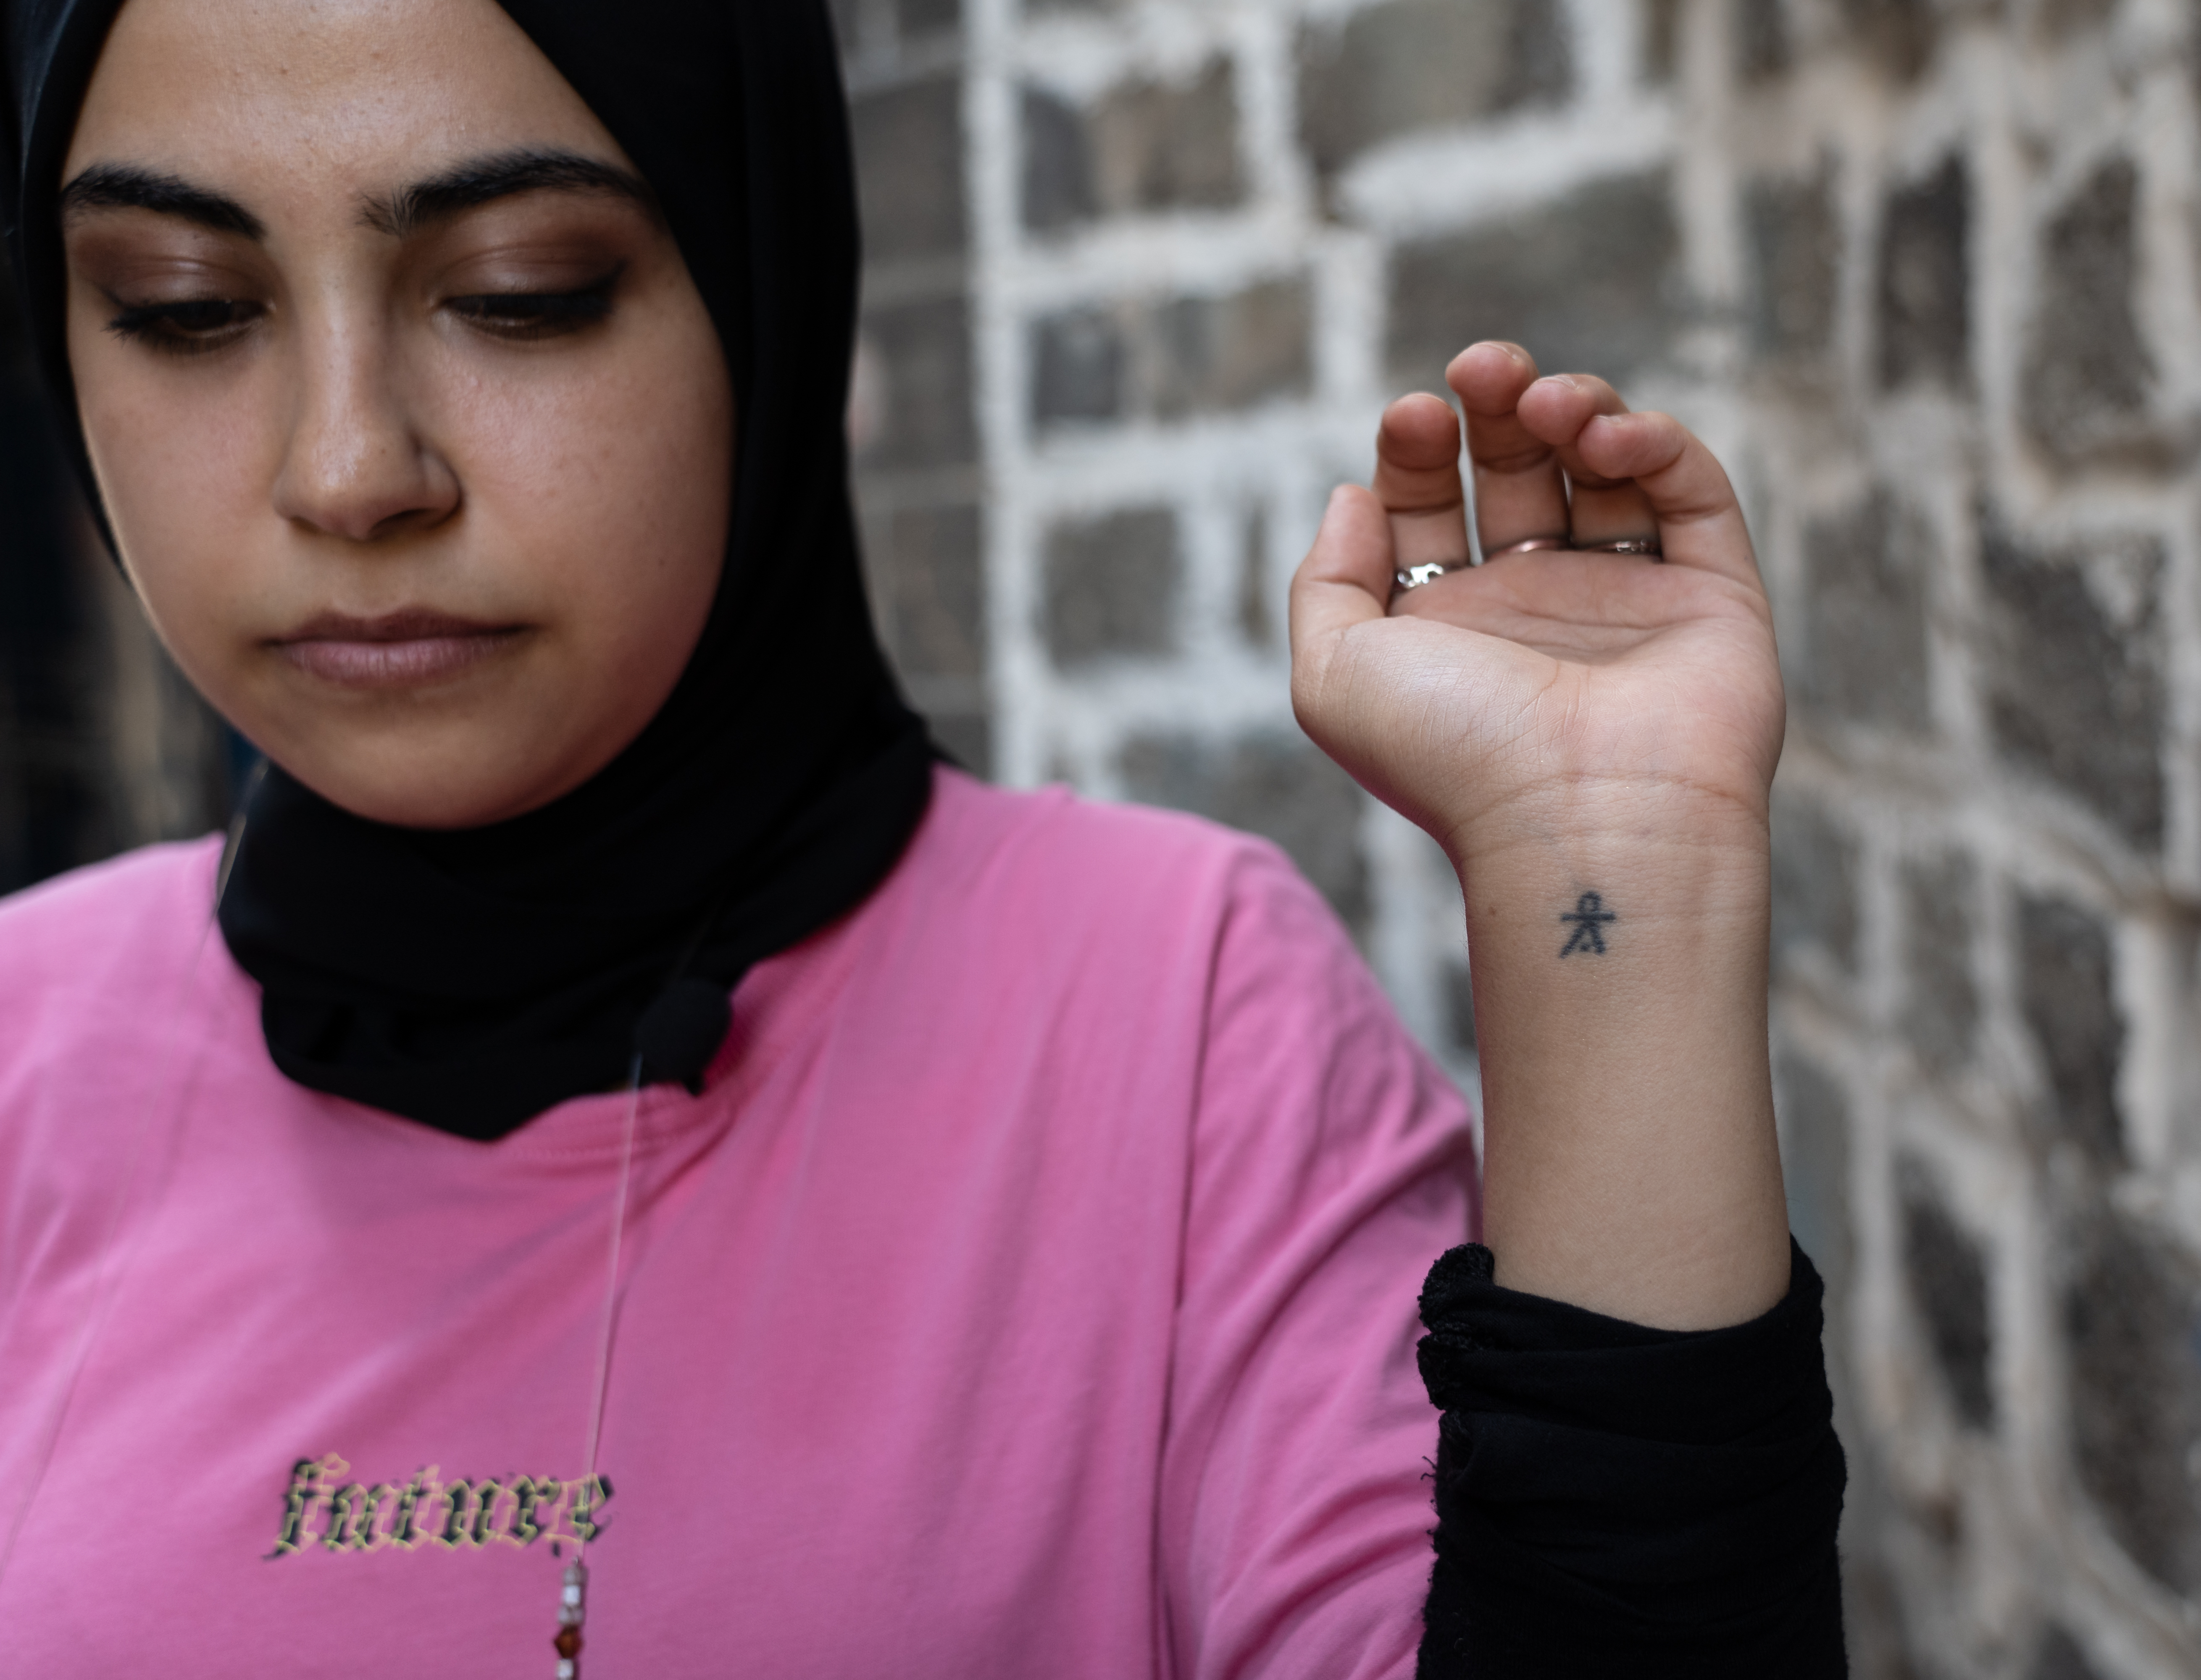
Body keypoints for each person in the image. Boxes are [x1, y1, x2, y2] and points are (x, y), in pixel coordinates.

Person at [0, 0, 1845, 1673]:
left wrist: (1619, 901)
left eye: (523, 290)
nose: (346, 470)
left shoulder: (1173, 1017)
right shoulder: (25, 1042)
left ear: (766, 290)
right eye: (183, 308)